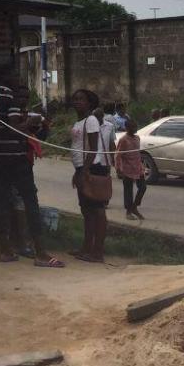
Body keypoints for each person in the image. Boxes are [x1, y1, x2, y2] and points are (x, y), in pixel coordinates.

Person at [0, 83, 63, 268]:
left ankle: (8, 249)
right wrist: (28, 124)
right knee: (27, 204)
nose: (23, 101)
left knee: (6, 203)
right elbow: (15, 130)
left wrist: (44, 123)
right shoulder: (10, 111)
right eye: (20, 97)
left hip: (7, 162)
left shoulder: (2, 109)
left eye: (26, 98)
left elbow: (38, 136)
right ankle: (40, 253)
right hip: (16, 163)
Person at [70, 89, 110, 263]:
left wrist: (84, 171)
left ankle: (97, 251)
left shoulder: (91, 120)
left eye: (81, 99)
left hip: (93, 169)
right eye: (75, 99)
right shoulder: (80, 121)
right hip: (83, 168)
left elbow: (93, 149)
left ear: (89, 102)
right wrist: (77, 171)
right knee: (86, 211)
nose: (77, 102)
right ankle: (86, 247)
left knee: (97, 211)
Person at [115, 118, 147, 220]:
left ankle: (134, 207)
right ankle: (128, 211)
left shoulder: (137, 138)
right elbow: (118, 155)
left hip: (138, 167)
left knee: (142, 187)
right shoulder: (123, 140)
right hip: (127, 168)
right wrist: (118, 168)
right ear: (127, 128)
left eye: (135, 126)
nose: (135, 128)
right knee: (128, 190)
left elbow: (137, 153)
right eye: (132, 127)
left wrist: (141, 165)